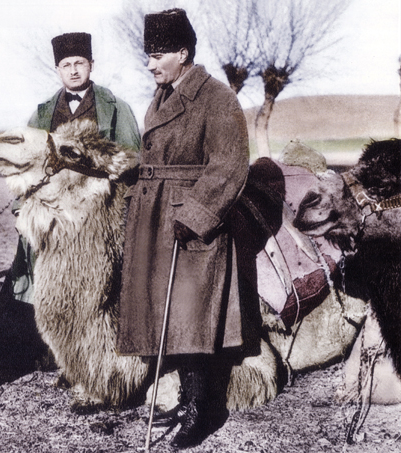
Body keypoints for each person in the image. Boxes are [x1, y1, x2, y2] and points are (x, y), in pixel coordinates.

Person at [117, 9, 259, 449]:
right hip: (156, 216)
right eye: (148, 55)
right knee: (166, 310)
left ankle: (202, 407)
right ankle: (186, 399)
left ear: (183, 53)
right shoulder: (161, 95)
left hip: (190, 223)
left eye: (158, 55)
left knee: (191, 312)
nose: (150, 64)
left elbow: (229, 166)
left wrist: (196, 216)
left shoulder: (217, 98)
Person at [0, 32, 141, 368]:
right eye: (66, 65)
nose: (73, 70)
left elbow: (130, 160)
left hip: (99, 220)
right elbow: (26, 169)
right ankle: (48, 350)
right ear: (58, 69)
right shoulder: (43, 113)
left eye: (79, 63)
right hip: (54, 220)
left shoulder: (115, 109)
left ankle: (101, 355)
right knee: (41, 280)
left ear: (91, 64)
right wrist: (21, 210)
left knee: (101, 287)